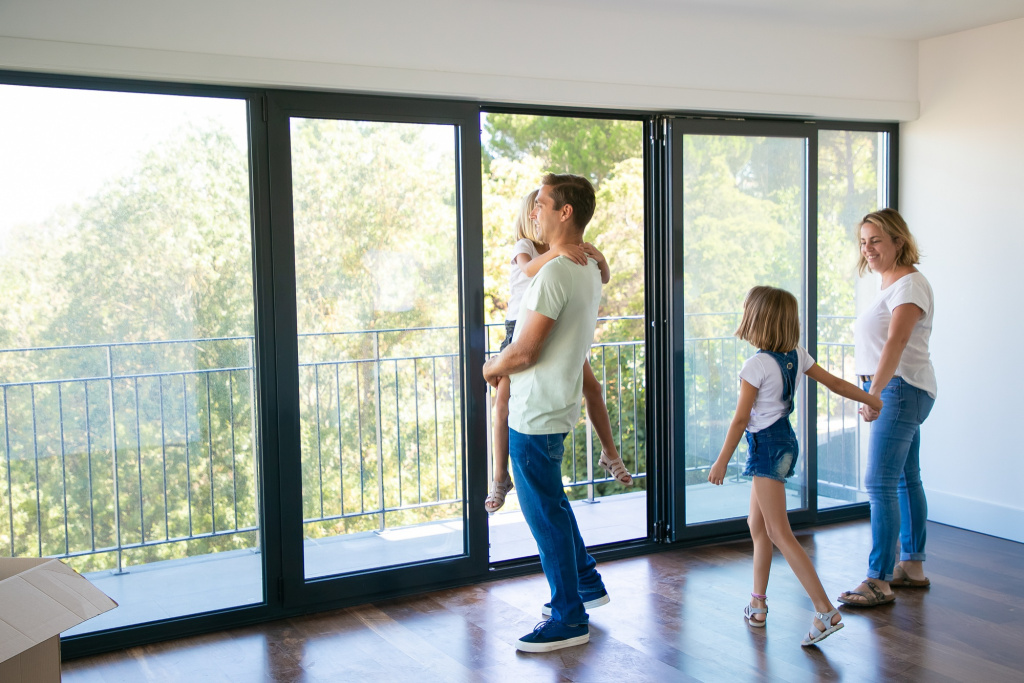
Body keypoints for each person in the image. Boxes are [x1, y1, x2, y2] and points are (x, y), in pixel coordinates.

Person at [707, 285, 883, 646]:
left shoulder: (754, 365)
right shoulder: (796, 355)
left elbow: (741, 420)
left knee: (779, 533)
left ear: (756, 319)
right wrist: (869, 398)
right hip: (785, 442)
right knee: (757, 525)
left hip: (766, 448)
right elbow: (834, 383)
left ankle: (824, 610)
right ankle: (758, 604)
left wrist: (721, 460)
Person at [482, 173, 607, 653]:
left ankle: (568, 617)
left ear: (565, 212)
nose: (535, 210)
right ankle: (586, 584)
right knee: (553, 505)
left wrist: (490, 368)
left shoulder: (555, 271)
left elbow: (525, 351)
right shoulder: (588, 268)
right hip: (556, 405)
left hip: (533, 413)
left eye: (543, 204)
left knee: (545, 517)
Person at [485, 191, 632, 514]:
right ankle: (499, 476)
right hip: (519, 331)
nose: (538, 215)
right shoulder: (527, 248)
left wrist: (601, 259)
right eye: (534, 209)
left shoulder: (569, 254)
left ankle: (610, 452)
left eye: (542, 208)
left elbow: (602, 277)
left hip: (557, 332)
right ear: (529, 216)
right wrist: (558, 251)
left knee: (592, 389)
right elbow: (528, 271)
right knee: (502, 404)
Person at [838, 208, 937, 608]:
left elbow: (895, 342)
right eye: (863, 242)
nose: (868, 248)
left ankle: (878, 578)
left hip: (898, 389)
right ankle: (912, 566)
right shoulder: (891, 284)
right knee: (905, 478)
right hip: (902, 389)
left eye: (876, 240)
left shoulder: (910, 285)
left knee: (880, 482)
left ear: (898, 240)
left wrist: (873, 393)